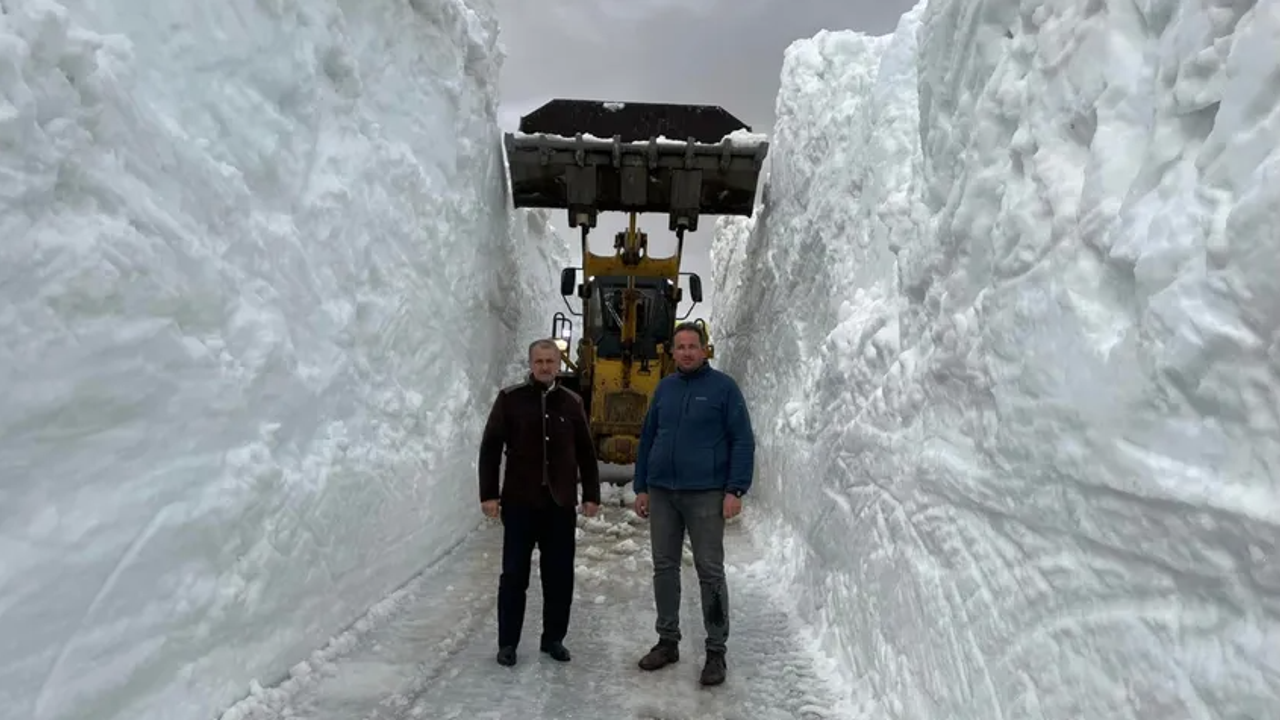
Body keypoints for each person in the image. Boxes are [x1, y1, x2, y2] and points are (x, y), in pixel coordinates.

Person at [632, 321, 755, 686]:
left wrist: (735, 489)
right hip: (663, 492)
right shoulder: (665, 389)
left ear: (704, 350)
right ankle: (667, 640)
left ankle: (716, 651)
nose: (686, 352)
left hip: (705, 493)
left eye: (692, 346)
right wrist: (641, 486)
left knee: (710, 570)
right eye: (680, 346)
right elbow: (648, 437)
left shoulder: (723, 389)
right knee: (664, 566)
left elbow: (743, 440)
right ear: (672, 352)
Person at [478, 338, 601, 667]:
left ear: (559, 364)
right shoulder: (510, 400)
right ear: (531, 364)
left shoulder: (572, 402)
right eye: (539, 361)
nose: (545, 367)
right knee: (514, 576)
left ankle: (554, 639)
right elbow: (490, 448)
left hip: (559, 506)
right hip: (520, 503)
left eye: (551, 361)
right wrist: (488, 494)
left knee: (559, 575)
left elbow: (586, 454)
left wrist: (591, 495)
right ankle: (507, 644)